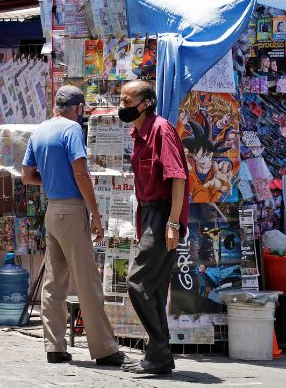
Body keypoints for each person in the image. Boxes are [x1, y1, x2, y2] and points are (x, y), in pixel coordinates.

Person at [22, 85, 128, 366]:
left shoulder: (40, 130)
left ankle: (54, 347)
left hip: (53, 210)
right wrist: (95, 213)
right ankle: (105, 350)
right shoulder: (71, 131)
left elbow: (27, 176)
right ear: (78, 108)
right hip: (72, 210)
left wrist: (53, 180)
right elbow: (80, 172)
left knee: (54, 283)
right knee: (87, 281)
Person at [117, 80, 189, 375]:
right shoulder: (138, 133)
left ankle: (158, 349)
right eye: (121, 100)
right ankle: (159, 357)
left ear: (145, 103)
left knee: (137, 282)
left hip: (162, 216)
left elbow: (178, 177)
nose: (122, 106)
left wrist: (173, 222)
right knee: (155, 289)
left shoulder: (161, 129)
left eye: (126, 101)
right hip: (148, 214)